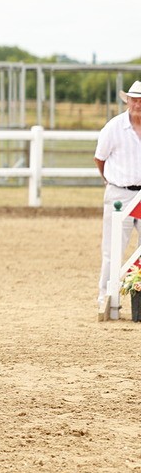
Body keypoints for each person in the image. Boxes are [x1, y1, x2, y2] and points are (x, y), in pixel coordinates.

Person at [94, 80, 141, 320]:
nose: (137, 104)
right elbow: (99, 158)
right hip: (119, 193)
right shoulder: (113, 127)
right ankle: (106, 298)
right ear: (127, 101)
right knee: (112, 250)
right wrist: (111, 182)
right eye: (134, 99)